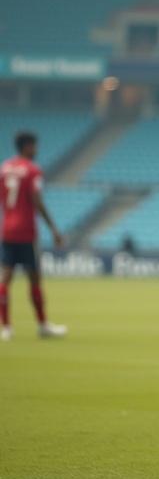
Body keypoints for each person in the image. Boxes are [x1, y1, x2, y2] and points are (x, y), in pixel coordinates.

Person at [0, 131, 67, 340]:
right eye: (34, 146)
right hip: (27, 232)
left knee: (5, 279)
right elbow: (36, 200)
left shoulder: (5, 168)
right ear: (27, 146)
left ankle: (7, 328)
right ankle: (42, 325)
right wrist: (54, 229)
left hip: (7, 230)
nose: (36, 150)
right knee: (34, 279)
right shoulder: (32, 170)